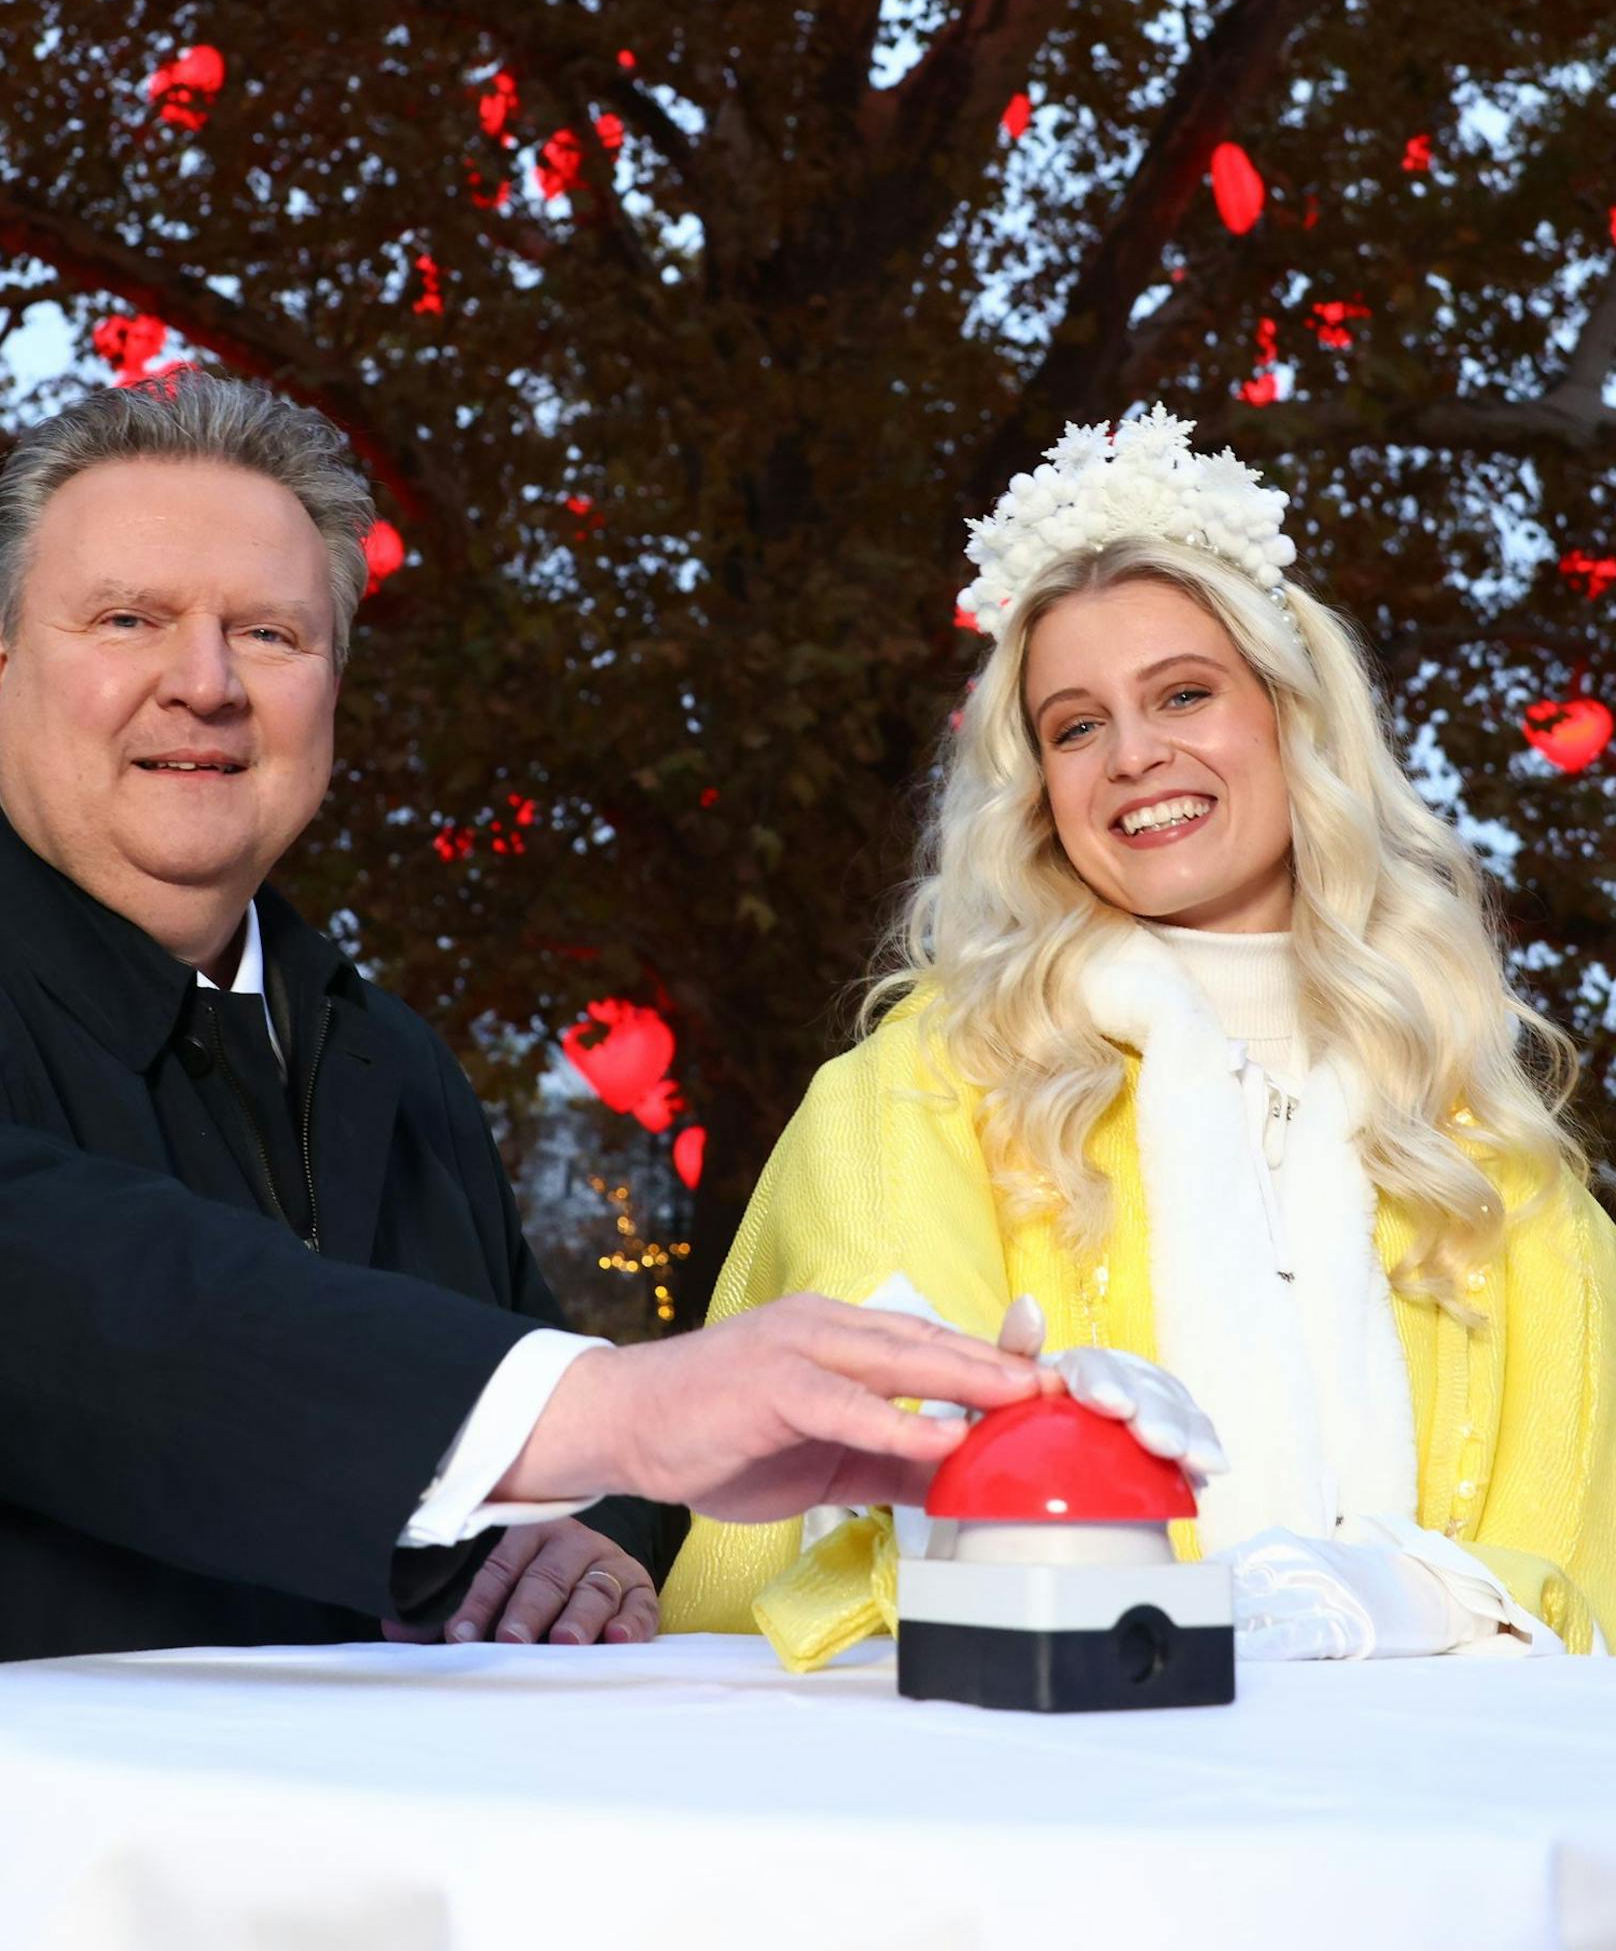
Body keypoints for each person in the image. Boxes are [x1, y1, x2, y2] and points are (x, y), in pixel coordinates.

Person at [0, 372, 1046, 1663]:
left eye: (270, 633)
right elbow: (81, 1291)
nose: (204, 682)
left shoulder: (389, 1058)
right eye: (125, 618)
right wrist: (603, 1408)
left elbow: (557, 1434)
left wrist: (576, 1536)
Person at [663, 409, 1616, 1664]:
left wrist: (1408, 1596)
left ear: (1293, 717)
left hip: (1401, 1831)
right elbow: (873, 1492)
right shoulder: (923, 1088)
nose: (1133, 755)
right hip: (1041, 1804)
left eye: (1182, 692)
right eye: (1073, 724)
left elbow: (1580, 1558)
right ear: (1039, 790)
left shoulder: (1495, 1161)